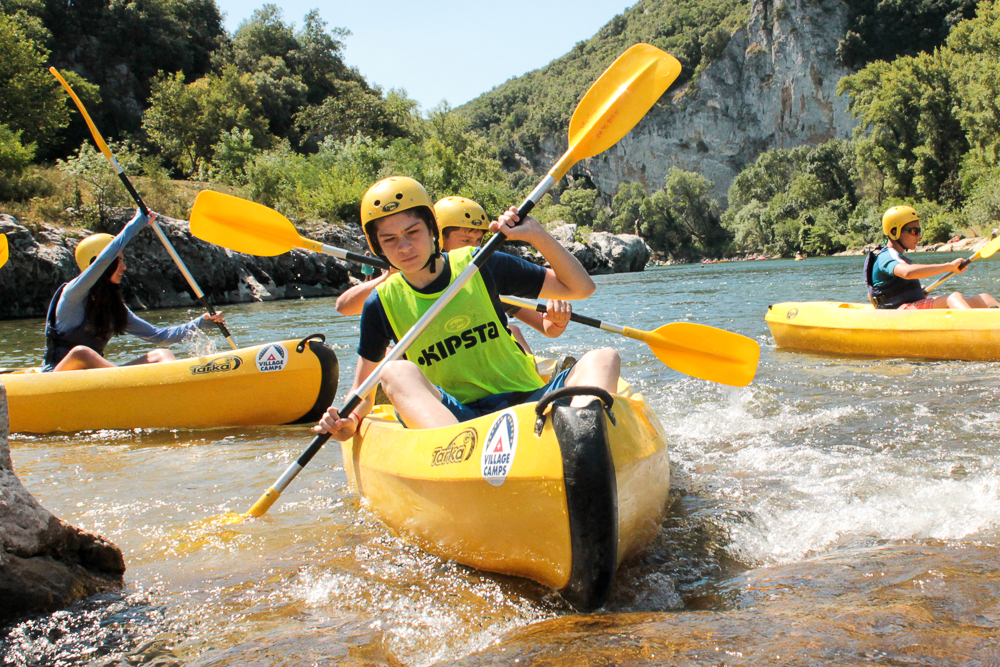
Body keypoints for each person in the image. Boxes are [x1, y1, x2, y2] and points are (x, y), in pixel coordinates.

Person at [315, 176, 619, 438]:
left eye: (412, 232)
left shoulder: (479, 264)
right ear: (377, 247)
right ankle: (461, 459)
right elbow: (362, 394)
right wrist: (347, 422)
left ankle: (581, 441)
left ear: (432, 229)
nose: (405, 247)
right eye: (390, 239)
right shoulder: (380, 303)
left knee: (604, 358)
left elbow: (581, 288)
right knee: (394, 371)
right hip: (458, 419)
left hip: (530, 399)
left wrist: (537, 235)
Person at [335, 195, 573, 353]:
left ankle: (529, 384)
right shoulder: (398, 284)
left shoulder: (480, 277)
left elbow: (546, 328)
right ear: (437, 238)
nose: (476, 248)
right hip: (430, 371)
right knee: (389, 353)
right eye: (466, 240)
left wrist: (557, 322)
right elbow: (344, 306)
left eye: (479, 241)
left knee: (514, 330)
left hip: (488, 366)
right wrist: (389, 275)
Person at [43, 209, 227, 372]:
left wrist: (201, 322)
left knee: (161, 354)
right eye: (119, 260)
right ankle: (125, 384)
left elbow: (159, 336)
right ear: (97, 263)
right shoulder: (72, 294)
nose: (124, 267)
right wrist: (135, 224)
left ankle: (175, 393)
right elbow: (103, 261)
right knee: (81, 353)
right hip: (56, 380)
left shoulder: (114, 308)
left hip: (96, 379)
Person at [864, 205, 1000, 310]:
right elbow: (907, 272)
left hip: (906, 308)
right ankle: (978, 330)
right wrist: (949, 266)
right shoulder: (885, 256)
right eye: (914, 231)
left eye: (919, 231)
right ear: (895, 232)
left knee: (984, 299)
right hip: (896, 313)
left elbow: (874, 294)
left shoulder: (896, 256)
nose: (919, 236)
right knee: (952, 297)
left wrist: (914, 294)